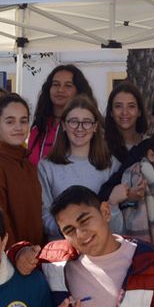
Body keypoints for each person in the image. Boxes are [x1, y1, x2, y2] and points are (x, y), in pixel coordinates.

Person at [39, 95, 119, 238]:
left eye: (87, 122)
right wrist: (70, 233)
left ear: (95, 127)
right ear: (63, 125)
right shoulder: (47, 166)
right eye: (73, 122)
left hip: (102, 247)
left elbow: (116, 213)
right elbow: (43, 213)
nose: (80, 128)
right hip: (63, 249)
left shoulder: (111, 165)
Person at [0, 92, 45, 246]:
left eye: (23, 121)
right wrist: (16, 253)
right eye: (10, 122)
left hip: (33, 256)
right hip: (11, 260)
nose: (18, 127)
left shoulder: (28, 164)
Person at [27, 64, 93, 164]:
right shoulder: (38, 129)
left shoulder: (83, 129)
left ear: (78, 91)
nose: (60, 90)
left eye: (68, 85)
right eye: (56, 84)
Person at [104, 81, 149, 166]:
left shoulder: (150, 145)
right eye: (118, 106)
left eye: (131, 106)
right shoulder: (101, 146)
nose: (125, 112)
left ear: (139, 111)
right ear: (111, 112)